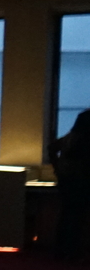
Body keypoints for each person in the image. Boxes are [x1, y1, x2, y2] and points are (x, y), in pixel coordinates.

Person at [49, 108, 90, 260]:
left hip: (67, 180)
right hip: (82, 180)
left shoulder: (70, 138)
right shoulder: (84, 140)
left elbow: (51, 148)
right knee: (78, 218)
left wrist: (57, 168)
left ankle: (62, 250)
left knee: (67, 215)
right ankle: (73, 250)